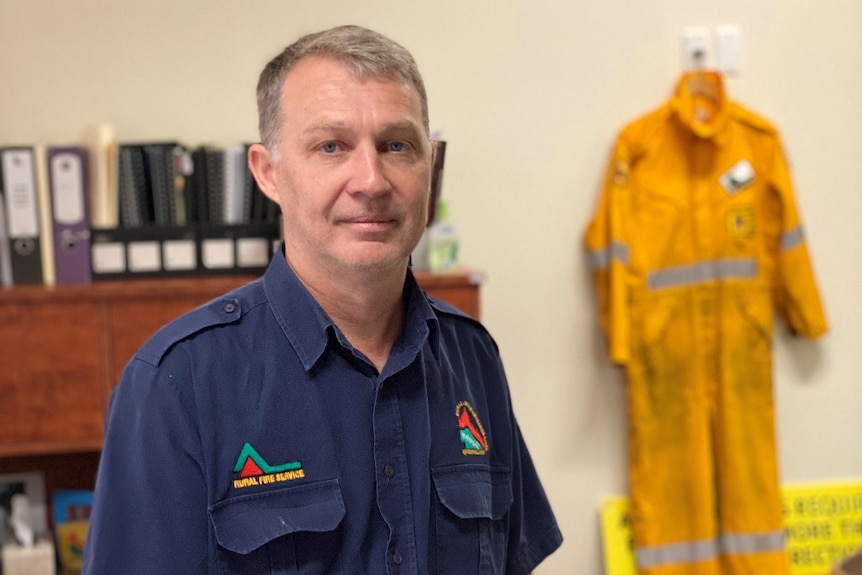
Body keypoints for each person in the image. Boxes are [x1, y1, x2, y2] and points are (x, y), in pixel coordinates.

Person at [82, 25, 562, 574]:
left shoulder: (471, 357)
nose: (371, 180)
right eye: (331, 146)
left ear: (432, 166)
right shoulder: (178, 382)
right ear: (269, 174)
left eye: (396, 145)